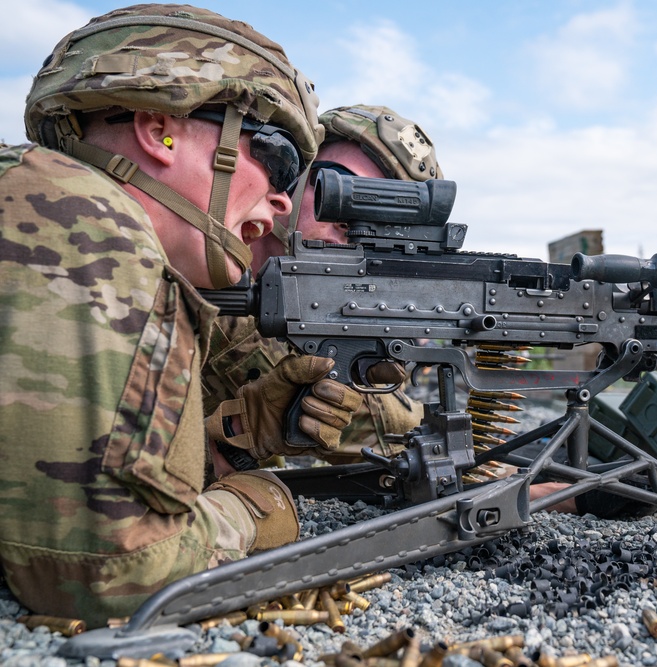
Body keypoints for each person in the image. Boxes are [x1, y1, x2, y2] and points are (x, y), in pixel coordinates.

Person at [0, 4, 358, 626]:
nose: (281, 198)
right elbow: (106, 571)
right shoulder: (77, 216)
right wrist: (251, 508)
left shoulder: (44, 199)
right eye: (275, 159)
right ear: (158, 128)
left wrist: (241, 433)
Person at [202, 105, 438, 466]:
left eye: (386, 211)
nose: (354, 221)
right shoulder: (193, 264)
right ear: (292, 177)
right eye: (341, 185)